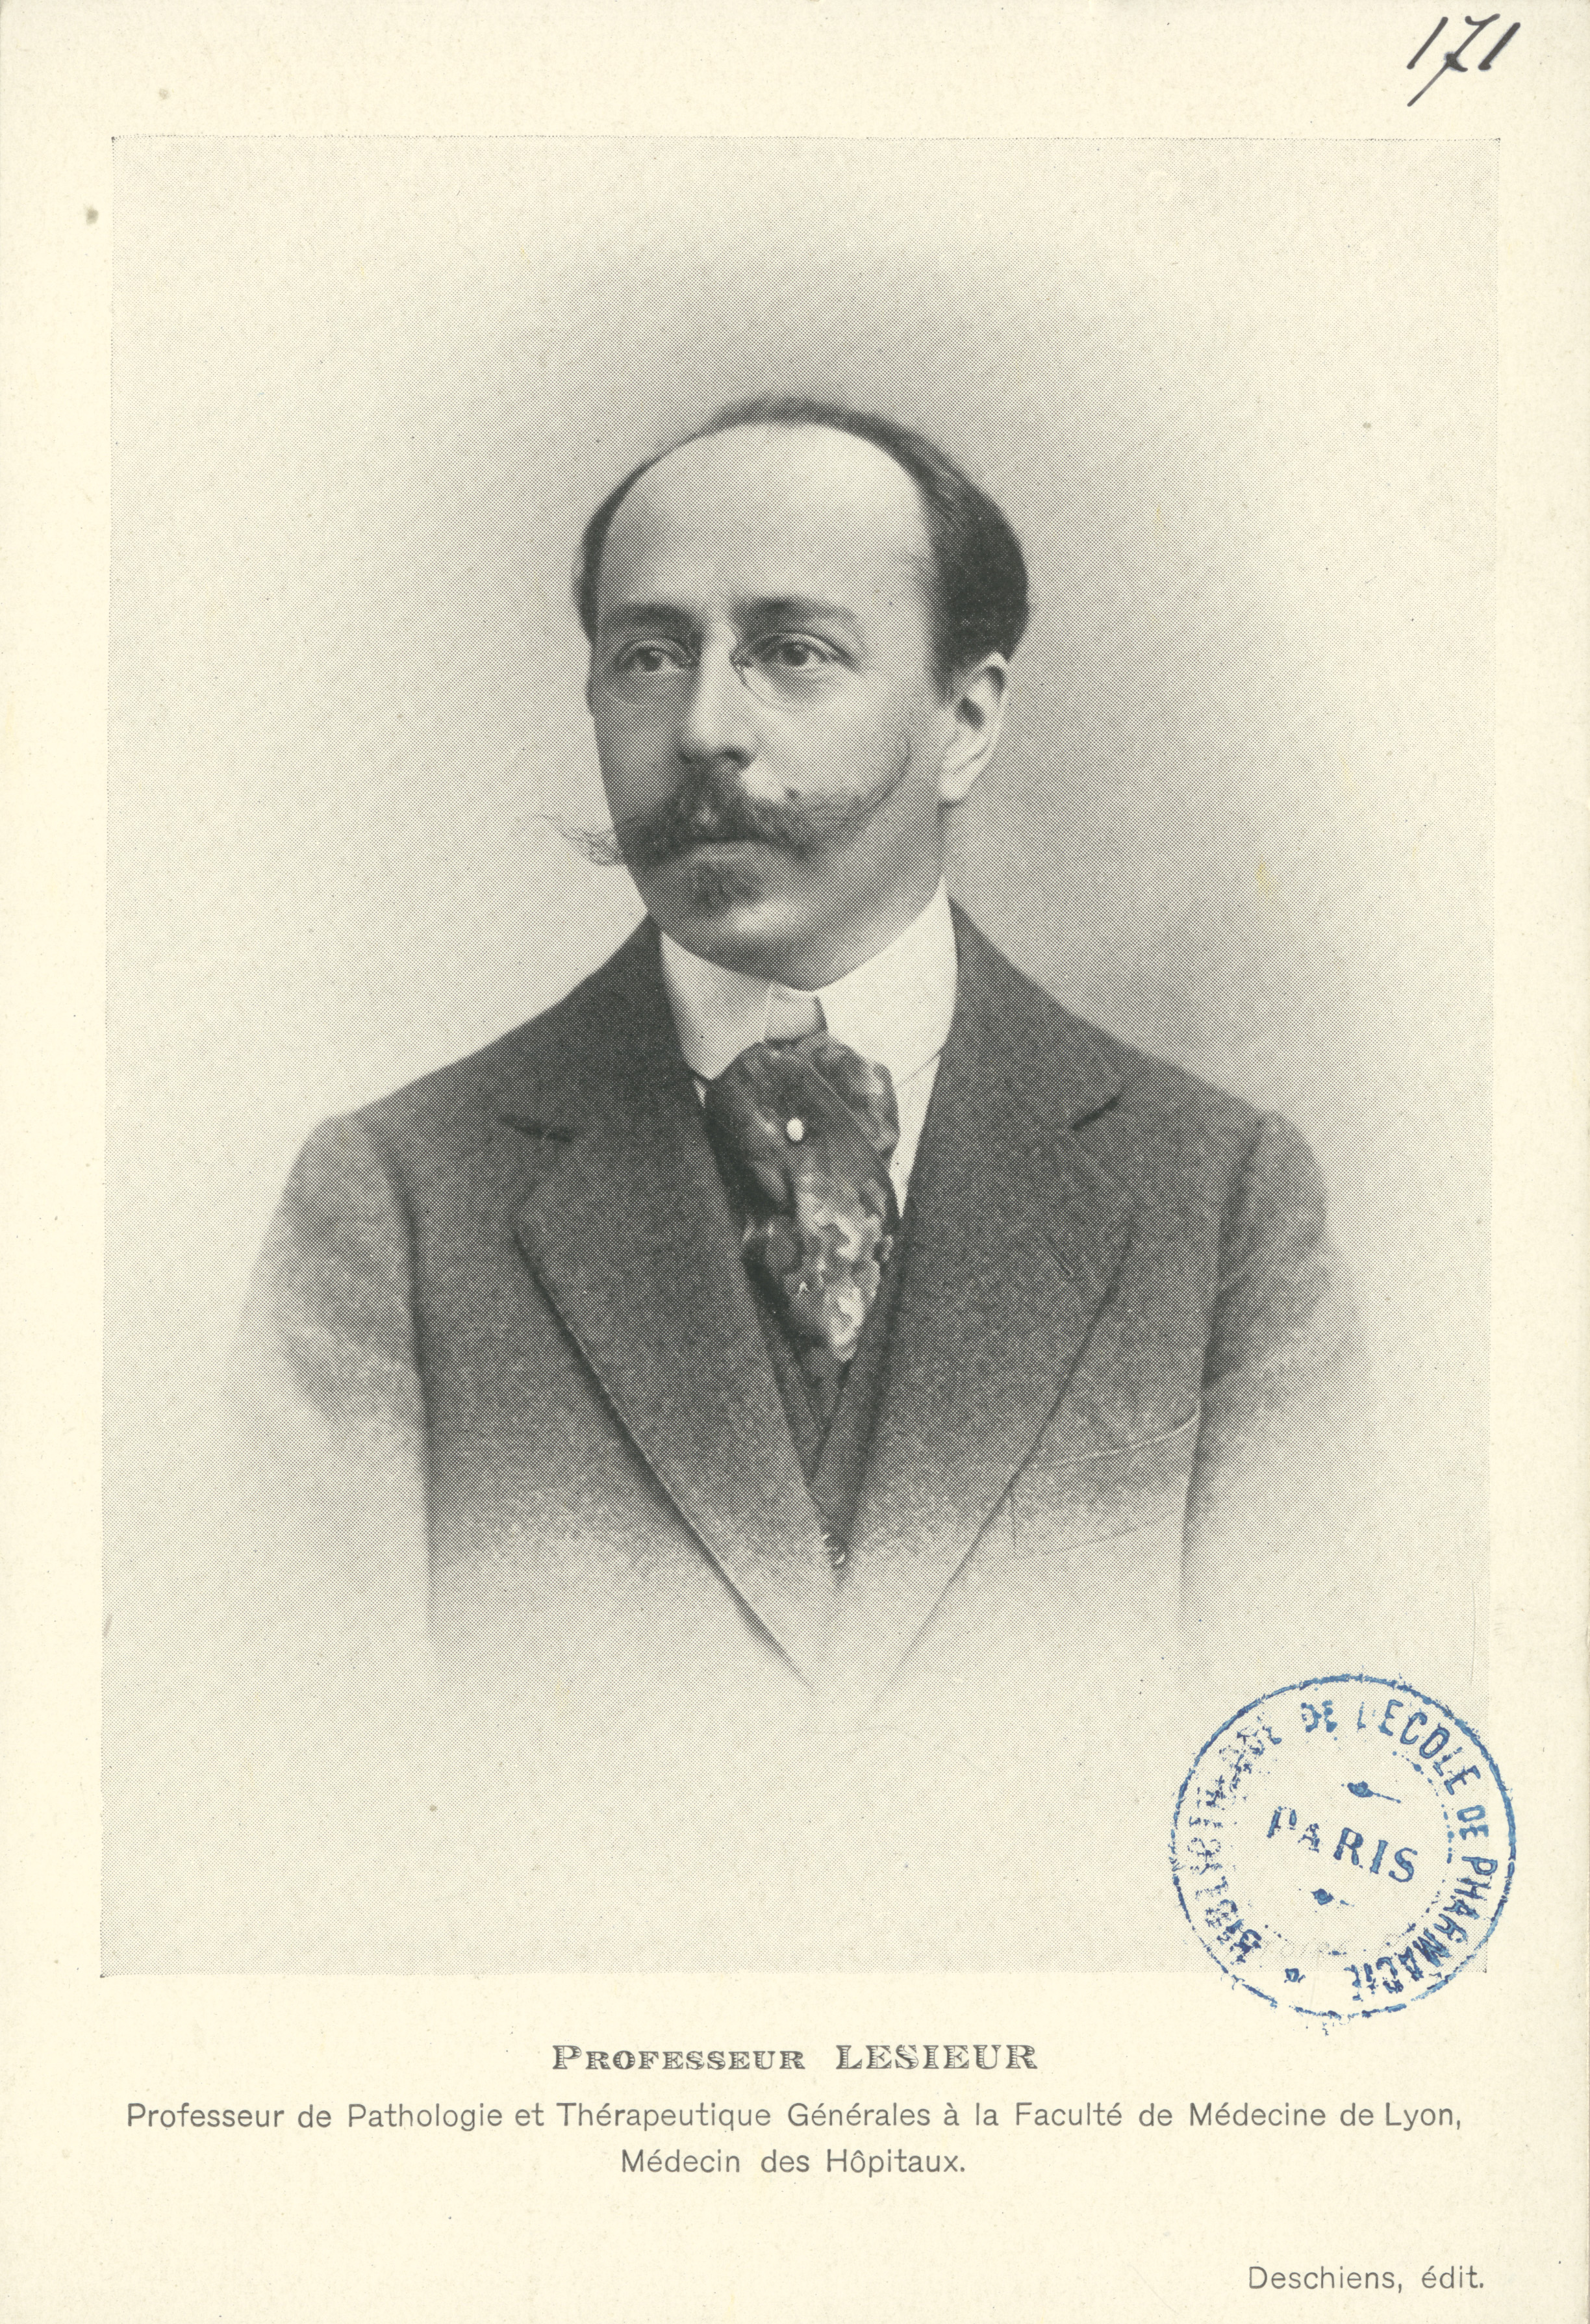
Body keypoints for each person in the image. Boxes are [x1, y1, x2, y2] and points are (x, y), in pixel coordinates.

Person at [226, 396, 1378, 1967]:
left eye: (793, 650)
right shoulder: (391, 1207)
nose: (705, 725)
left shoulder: (1222, 1201)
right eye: (649, 655)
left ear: (967, 719)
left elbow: (1298, 1839)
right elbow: (309, 1850)